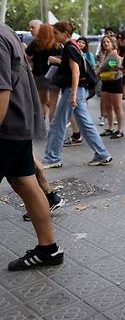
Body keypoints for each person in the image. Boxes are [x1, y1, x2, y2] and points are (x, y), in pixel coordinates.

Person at [0, 22, 64, 270]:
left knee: (25, 182)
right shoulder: (6, 31)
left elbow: (2, 91)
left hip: (6, 127)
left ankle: (49, 249)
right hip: (17, 123)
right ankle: (49, 249)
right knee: (25, 182)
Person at [42, 21, 112, 168]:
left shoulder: (69, 47)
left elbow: (76, 71)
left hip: (73, 90)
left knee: (58, 124)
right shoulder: (72, 46)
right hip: (77, 90)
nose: (54, 36)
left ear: (65, 34)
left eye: (56, 33)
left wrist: (73, 94)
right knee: (85, 124)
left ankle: (52, 158)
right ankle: (102, 153)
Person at [25, 23, 61, 124]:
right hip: (54, 75)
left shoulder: (35, 43)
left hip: (38, 75)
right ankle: (52, 126)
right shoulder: (57, 45)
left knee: (42, 102)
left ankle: (40, 124)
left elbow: (27, 57)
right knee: (53, 103)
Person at [96, 35, 124, 138]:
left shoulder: (114, 54)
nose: (105, 44)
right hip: (106, 80)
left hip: (115, 80)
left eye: (108, 42)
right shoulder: (104, 54)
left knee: (117, 106)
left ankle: (120, 130)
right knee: (108, 106)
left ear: (113, 43)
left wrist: (100, 69)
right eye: (104, 42)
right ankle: (110, 127)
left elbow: (116, 66)